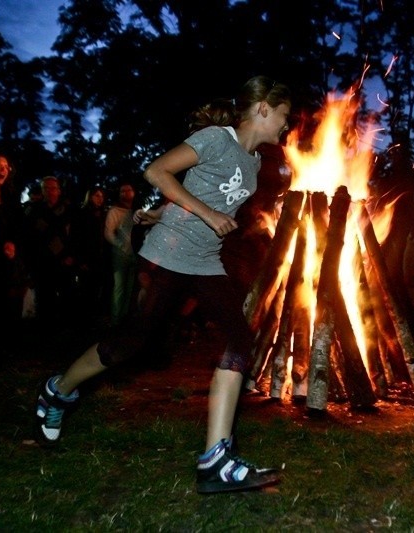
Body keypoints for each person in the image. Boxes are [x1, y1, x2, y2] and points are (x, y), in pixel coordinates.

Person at [33, 75, 291, 494]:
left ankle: (216, 460)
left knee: (239, 338)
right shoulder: (214, 138)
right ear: (263, 109)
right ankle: (57, 391)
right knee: (131, 343)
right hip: (171, 254)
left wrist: (163, 210)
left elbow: (197, 191)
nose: (286, 125)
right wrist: (203, 214)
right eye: (284, 115)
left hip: (205, 260)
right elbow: (156, 170)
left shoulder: (255, 163)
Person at [0, 152, 28, 349]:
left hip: (6, 255)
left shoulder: (9, 196)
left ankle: (4, 340)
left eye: (6, 166)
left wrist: (12, 242)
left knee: (5, 296)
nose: (3, 170)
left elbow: (17, 224)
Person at [21, 175, 77, 332]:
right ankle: (45, 331)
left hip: (64, 260)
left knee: (66, 296)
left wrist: (72, 255)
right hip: (42, 261)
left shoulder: (69, 210)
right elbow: (28, 237)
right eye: (46, 188)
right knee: (44, 298)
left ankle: (65, 330)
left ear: (59, 191)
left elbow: (76, 235)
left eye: (53, 188)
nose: (50, 191)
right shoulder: (33, 210)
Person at [73, 184, 110, 329]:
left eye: (101, 196)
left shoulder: (103, 214)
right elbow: (77, 237)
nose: (99, 199)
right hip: (86, 257)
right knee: (85, 289)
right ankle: (83, 319)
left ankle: (93, 318)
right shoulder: (82, 214)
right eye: (96, 196)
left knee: (96, 289)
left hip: (99, 258)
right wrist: (80, 258)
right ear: (90, 197)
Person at [104, 180, 137, 327]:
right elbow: (108, 232)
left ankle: (124, 318)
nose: (126, 193)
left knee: (130, 288)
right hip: (120, 255)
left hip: (135, 254)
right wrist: (120, 245)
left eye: (128, 190)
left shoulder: (136, 210)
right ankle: (115, 319)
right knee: (119, 287)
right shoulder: (114, 211)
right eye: (123, 191)